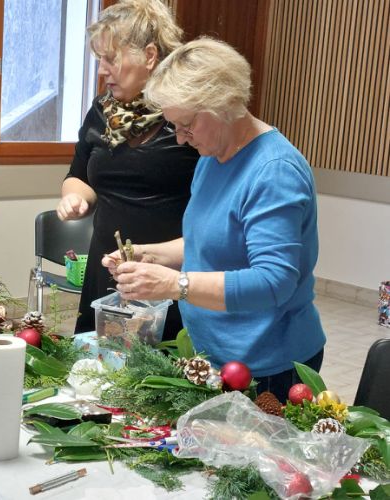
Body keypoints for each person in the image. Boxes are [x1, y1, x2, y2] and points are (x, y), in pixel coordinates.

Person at [103, 38, 326, 403]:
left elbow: (273, 282)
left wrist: (175, 284)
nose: (180, 138)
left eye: (186, 124)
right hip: (216, 353)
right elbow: (209, 241)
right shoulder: (211, 157)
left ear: (223, 104)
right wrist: (149, 255)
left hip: (267, 366)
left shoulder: (274, 171)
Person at [56, 0, 199, 339]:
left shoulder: (186, 117)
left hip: (168, 275)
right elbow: (78, 176)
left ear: (150, 56)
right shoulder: (102, 111)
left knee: (161, 365)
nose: (101, 71)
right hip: (106, 267)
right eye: (99, 59)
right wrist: (75, 198)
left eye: (111, 58)